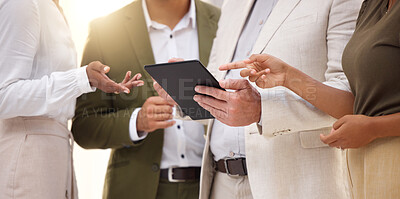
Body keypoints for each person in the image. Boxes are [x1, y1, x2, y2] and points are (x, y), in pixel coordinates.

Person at [154, 0, 363, 198]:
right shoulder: (232, 5)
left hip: (293, 183)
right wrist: (187, 94)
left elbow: (349, 94)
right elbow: (221, 84)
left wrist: (263, 110)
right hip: (220, 181)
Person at [221, 0, 400, 198]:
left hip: (391, 158)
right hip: (362, 167)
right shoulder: (372, 4)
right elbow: (353, 102)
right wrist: (288, 77)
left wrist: (374, 127)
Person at [71, 0, 220, 198]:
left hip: (214, 187)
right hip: (138, 188)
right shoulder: (105, 31)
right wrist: (137, 121)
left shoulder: (223, 21)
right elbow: (84, 127)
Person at [0, 0, 143, 198]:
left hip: (56, 153)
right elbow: (4, 96)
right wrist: (82, 77)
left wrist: (99, 84)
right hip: (29, 154)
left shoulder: (53, 7)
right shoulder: (23, 3)